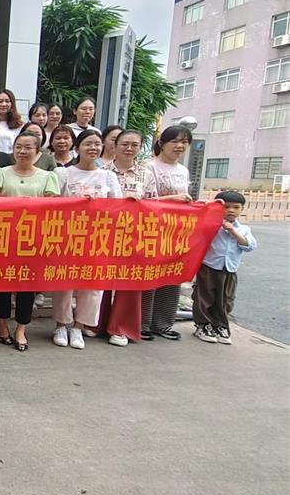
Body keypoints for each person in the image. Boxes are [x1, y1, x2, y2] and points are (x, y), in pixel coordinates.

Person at [51, 130, 123, 350]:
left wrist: (99, 206)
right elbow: (52, 203)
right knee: (64, 282)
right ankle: (62, 324)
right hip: (67, 236)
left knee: (92, 285)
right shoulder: (63, 173)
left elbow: (118, 208)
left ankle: (79, 326)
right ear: (77, 148)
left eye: (97, 144)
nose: (93, 148)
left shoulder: (108, 177)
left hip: (97, 237)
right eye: (88, 144)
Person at [0, 132, 60, 351]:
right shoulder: (0, 173)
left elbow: (53, 208)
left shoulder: (48, 177)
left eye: (28, 147)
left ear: (38, 153)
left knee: (27, 285)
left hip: (33, 239)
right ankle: (2, 324)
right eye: (18, 147)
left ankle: (21, 328)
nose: (22, 151)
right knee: (2, 283)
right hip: (4, 237)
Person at [97, 128, 158, 346]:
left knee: (129, 281)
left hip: (134, 233)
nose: (129, 148)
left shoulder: (146, 174)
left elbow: (153, 205)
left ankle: (121, 327)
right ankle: (95, 323)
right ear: (114, 145)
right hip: (104, 232)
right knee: (100, 279)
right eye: (124, 144)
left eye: (134, 145)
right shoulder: (102, 171)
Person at [141, 125, 194, 341]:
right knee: (149, 276)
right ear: (162, 143)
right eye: (175, 141)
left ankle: (163, 323)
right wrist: (172, 199)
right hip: (153, 229)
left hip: (176, 231)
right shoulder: (148, 167)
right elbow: (144, 199)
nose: (180, 146)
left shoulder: (183, 170)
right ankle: (142, 322)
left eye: (184, 142)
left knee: (172, 275)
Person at [192, 191, 256, 345]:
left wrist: (232, 231)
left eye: (236, 207)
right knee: (204, 297)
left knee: (225, 300)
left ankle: (219, 326)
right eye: (226, 207)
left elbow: (249, 246)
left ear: (242, 209)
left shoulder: (244, 229)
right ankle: (203, 325)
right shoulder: (211, 224)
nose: (231, 210)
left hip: (229, 270)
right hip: (209, 267)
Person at [0, 89, 23, 154]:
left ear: (12, 104)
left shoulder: (20, 125)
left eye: (7, 101)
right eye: (0, 101)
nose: (4, 104)